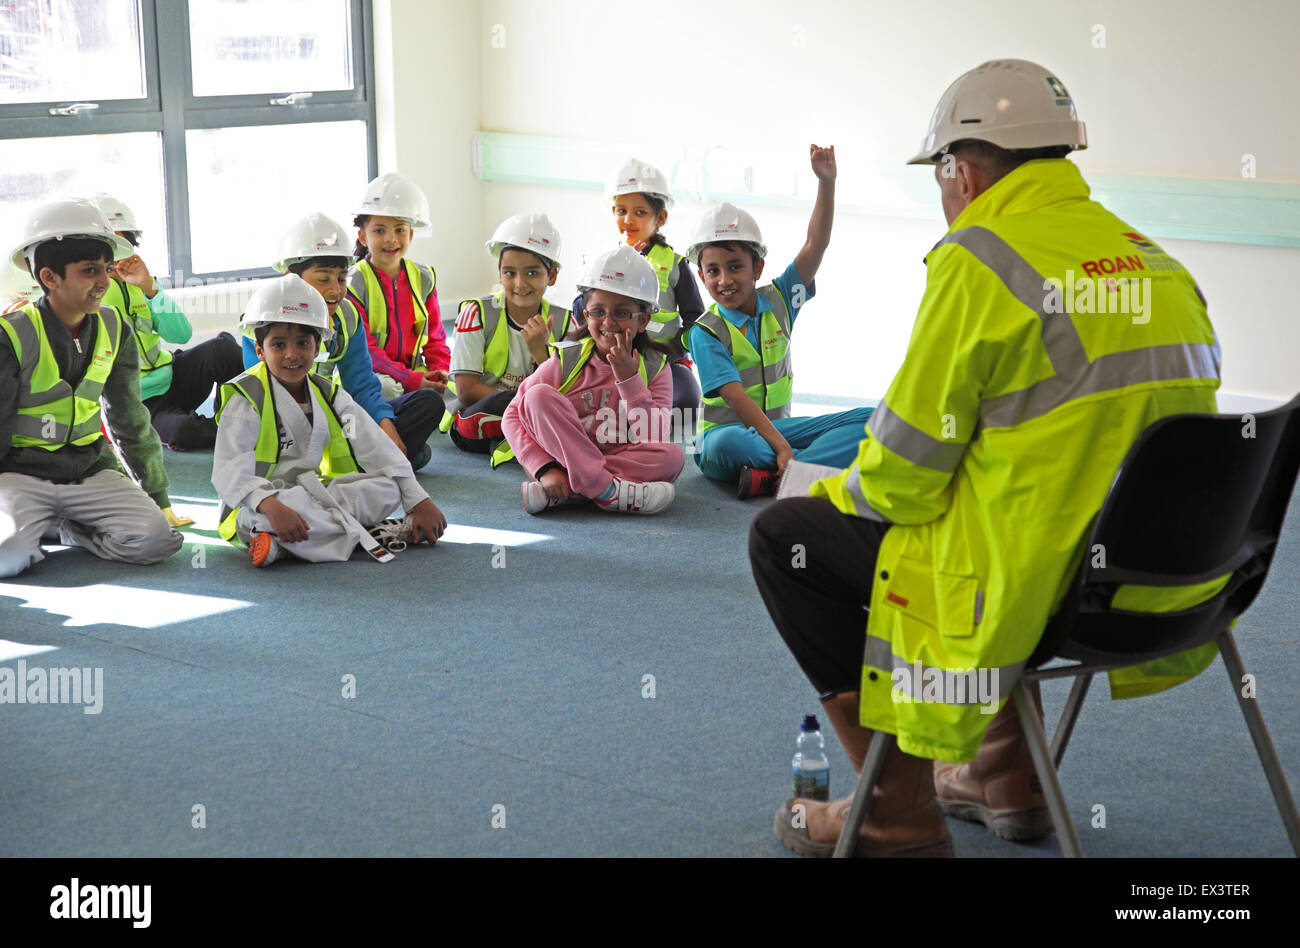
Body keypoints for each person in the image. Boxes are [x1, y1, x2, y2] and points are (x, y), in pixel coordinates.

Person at [749, 59, 1222, 858]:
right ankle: (1006, 778)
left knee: (787, 542)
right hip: (1166, 582)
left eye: (939, 177)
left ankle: (894, 811)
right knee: (999, 502)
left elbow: (902, 475)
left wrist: (824, 496)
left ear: (961, 174)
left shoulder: (979, 260)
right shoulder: (1153, 261)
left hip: (1038, 589)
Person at [0, 198, 183, 577]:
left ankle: (65, 526)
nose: (103, 282)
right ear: (49, 278)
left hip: (88, 471)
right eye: (88, 271)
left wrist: (157, 495)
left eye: (105, 269)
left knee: (158, 540)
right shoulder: (11, 335)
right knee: (7, 557)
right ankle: (36, 525)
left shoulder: (115, 327)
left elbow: (129, 417)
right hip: (19, 476)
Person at [213, 274, 446, 567]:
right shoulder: (246, 397)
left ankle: (287, 545)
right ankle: (363, 534)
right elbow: (228, 471)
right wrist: (270, 504)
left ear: (317, 345)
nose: (292, 354)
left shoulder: (329, 395)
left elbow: (377, 447)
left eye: (302, 343)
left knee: (388, 487)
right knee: (260, 518)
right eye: (278, 345)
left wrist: (418, 500)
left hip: (316, 493)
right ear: (260, 351)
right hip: (257, 502)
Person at [686, 146, 875, 499]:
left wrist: (826, 182)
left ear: (757, 268)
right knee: (726, 444)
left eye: (735, 266)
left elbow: (814, 246)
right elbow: (736, 398)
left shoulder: (781, 299)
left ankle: (780, 473)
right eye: (713, 271)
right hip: (727, 437)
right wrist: (782, 447)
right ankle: (802, 467)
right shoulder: (705, 331)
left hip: (780, 428)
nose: (724, 280)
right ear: (701, 275)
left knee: (873, 418)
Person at [240, 212, 443, 472]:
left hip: (335, 417)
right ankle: (365, 459)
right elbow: (264, 397)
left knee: (427, 403)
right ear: (292, 276)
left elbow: (361, 386)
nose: (335, 290)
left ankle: (369, 456)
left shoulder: (347, 317)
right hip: (283, 422)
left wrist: (387, 428)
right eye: (323, 279)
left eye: (342, 279)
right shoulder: (264, 316)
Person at [502, 244, 683, 516]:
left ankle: (571, 491)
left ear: (643, 320)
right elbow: (512, 416)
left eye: (621, 313)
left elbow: (653, 435)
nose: (608, 322)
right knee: (537, 395)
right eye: (598, 312)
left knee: (673, 458)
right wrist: (545, 468)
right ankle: (606, 492)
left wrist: (629, 380)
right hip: (560, 459)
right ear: (586, 315)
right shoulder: (568, 359)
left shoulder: (656, 366)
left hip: (612, 458)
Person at [92, 193, 244, 453]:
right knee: (186, 433)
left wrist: (150, 288)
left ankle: (239, 417)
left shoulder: (141, 284)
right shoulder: (87, 296)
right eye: (109, 248)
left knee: (224, 350)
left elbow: (181, 334)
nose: (117, 258)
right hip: (140, 404)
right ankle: (228, 429)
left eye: (123, 245)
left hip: (172, 377)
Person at [571, 159, 704, 423]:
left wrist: (673, 350)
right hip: (609, 355)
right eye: (621, 210)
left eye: (640, 212)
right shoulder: (603, 261)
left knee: (687, 404)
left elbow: (695, 320)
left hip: (664, 359)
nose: (628, 220)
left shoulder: (675, 264)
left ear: (661, 217)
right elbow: (580, 308)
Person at [448, 212, 573, 466]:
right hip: (479, 414)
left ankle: (520, 443)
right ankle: (532, 442)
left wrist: (541, 353)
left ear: (551, 276)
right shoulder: (477, 313)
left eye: (532, 273)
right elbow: (466, 389)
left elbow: (568, 391)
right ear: (499, 274)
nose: (519, 283)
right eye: (509, 273)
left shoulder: (566, 322)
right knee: (531, 406)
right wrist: (525, 407)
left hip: (536, 412)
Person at [346, 172, 451, 403]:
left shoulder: (423, 278)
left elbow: (436, 339)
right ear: (363, 236)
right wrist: (410, 379)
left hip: (412, 372)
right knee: (388, 390)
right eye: (379, 230)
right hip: (370, 372)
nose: (391, 239)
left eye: (400, 229)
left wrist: (441, 371)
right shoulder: (354, 283)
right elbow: (365, 350)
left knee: (457, 384)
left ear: (411, 234)